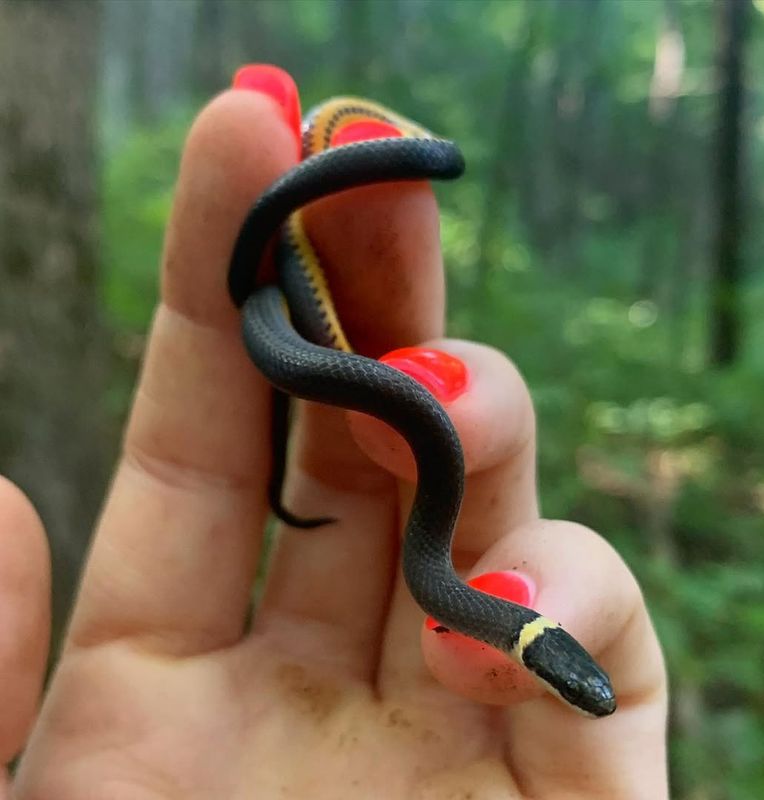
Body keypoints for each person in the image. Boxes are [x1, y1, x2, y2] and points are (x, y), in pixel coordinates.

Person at [1, 66, 668, 798]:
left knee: (431, 370)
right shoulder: (442, 579)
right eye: (577, 689)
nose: (583, 698)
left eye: (577, 693)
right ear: (535, 651)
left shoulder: (439, 580)